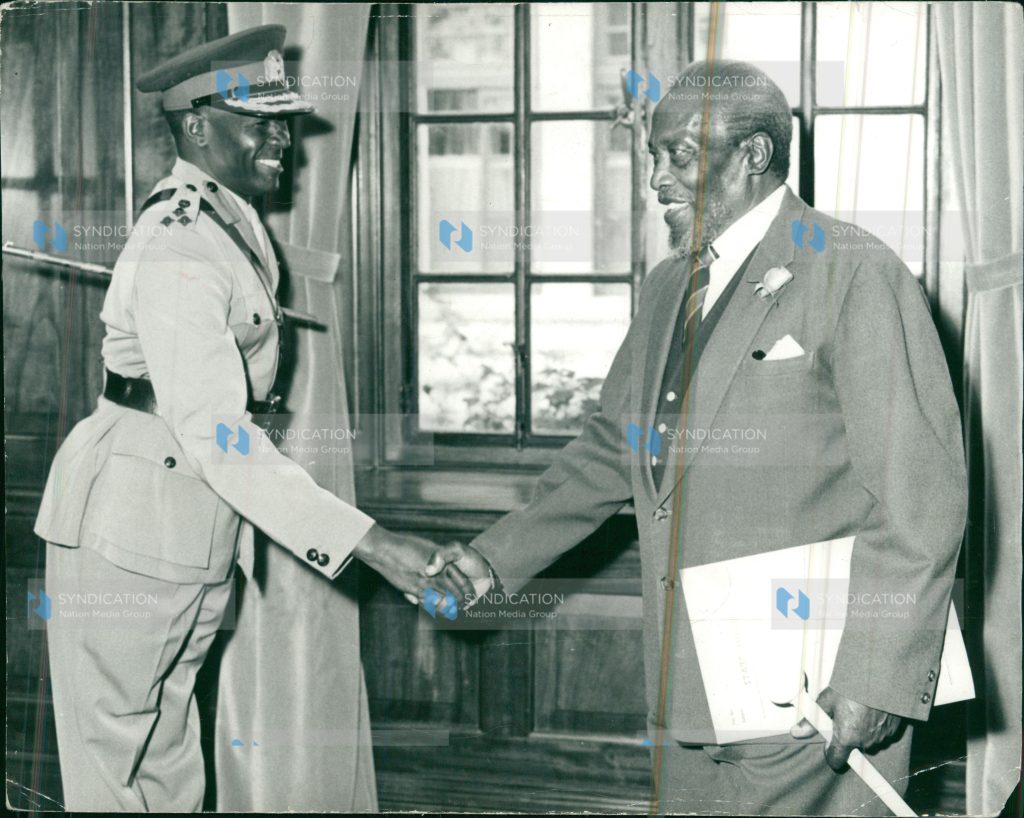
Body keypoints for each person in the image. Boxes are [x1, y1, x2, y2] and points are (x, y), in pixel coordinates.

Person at [435, 60, 967, 815]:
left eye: (679, 155)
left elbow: (923, 500)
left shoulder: (854, 271)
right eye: (652, 156)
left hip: (813, 696)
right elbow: (607, 451)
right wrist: (494, 558)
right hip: (685, 691)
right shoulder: (665, 288)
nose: (656, 179)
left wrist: (877, 675)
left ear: (753, 155)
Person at [34, 25, 468, 812]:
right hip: (129, 529)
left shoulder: (226, 224)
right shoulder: (179, 243)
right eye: (258, 121)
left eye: (284, 120)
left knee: (165, 757)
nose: (282, 139)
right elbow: (218, 434)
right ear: (197, 125)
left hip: (189, 525)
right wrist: (370, 544)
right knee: (113, 773)